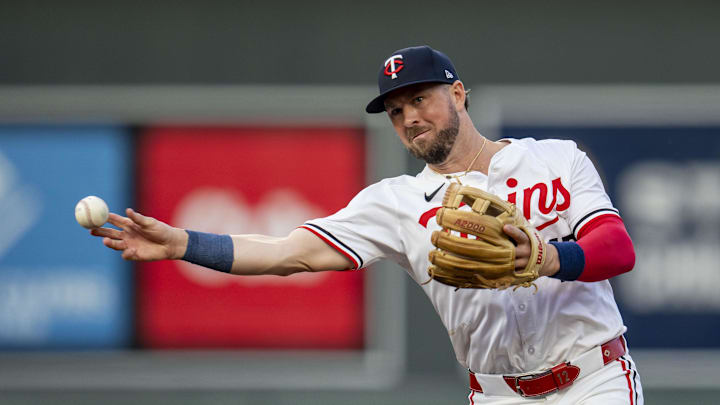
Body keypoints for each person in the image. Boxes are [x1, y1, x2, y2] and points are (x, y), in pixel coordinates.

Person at [91, 45, 643, 404]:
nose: (409, 118)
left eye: (419, 99)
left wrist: (549, 258)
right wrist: (182, 243)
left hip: (593, 380)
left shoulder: (554, 158)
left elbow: (616, 249)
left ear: (457, 93)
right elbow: (288, 253)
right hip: (496, 393)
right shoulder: (396, 203)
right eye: (396, 111)